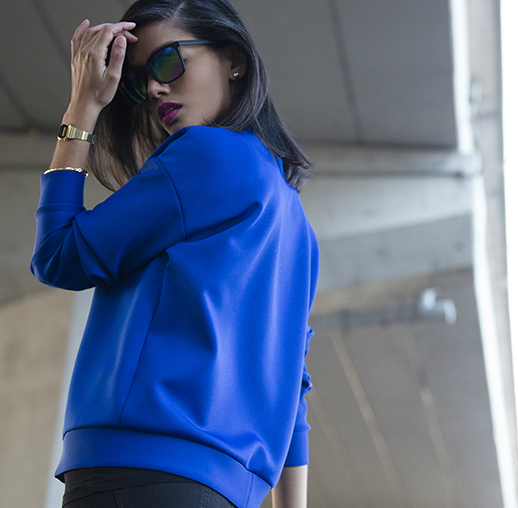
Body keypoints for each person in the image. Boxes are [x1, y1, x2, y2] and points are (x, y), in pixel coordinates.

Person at [30, 0, 319, 507]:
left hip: (135, 474)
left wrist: (81, 108)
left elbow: (58, 255)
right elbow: (291, 387)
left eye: (168, 61)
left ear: (234, 59)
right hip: (225, 493)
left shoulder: (205, 154)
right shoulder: (297, 225)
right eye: (139, 81)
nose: (154, 89)